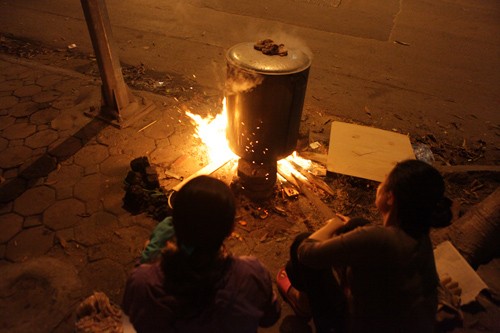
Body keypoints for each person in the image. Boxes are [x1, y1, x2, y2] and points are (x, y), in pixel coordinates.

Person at [277, 159, 452, 333]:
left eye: (384, 181)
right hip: (389, 318)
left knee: (301, 242)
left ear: (390, 197)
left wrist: (334, 223)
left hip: (352, 326)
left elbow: (306, 252)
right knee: (356, 224)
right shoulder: (421, 238)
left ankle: (304, 304)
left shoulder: (378, 239)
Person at [123, 175, 281, 333]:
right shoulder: (251, 274)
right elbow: (270, 317)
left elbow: (131, 323)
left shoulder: (142, 283)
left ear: (174, 224)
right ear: (231, 229)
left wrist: (147, 261)